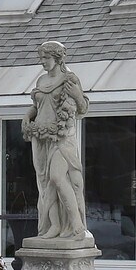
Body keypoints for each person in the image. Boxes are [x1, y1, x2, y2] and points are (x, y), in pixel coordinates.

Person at [21, 41, 88, 242]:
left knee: (58, 177)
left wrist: (77, 95)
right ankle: (54, 225)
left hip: (62, 136)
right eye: (41, 58)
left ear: (57, 58)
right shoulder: (41, 81)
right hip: (41, 136)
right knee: (45, 183)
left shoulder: (69, 78)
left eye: (46, 58)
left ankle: (76, 224)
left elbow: (82, 109)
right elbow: (39, 106)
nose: (42, 62)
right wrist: (27, 115)